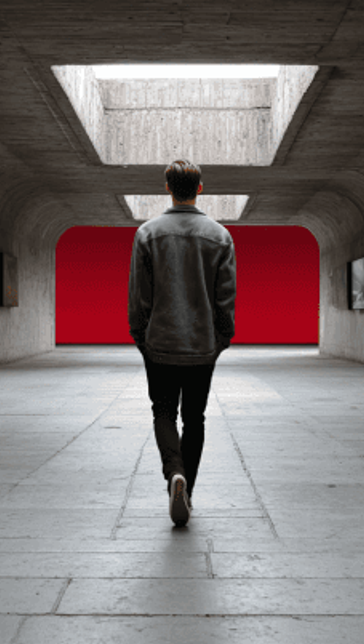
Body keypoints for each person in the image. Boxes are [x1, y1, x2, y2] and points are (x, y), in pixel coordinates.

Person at [128, 159, 236, 527]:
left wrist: (140, 336)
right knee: (195, 418)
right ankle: (186, 489)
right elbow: (226, 298)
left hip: (160, 341)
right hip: (202, 344)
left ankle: (173, 472)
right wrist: (221, 338)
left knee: (163, 412)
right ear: (200, 188)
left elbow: (139, 296)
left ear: (167, 188)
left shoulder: (147, 233)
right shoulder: (220, 236)